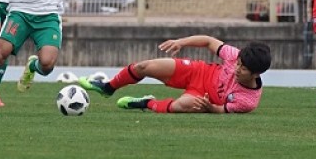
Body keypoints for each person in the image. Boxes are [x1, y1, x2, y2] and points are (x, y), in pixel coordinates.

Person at [72, 35, 272, 114]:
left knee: (183, 106)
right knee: (145, 66)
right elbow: (209, 41)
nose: (237, 68)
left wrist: (210, 107)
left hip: (203, 97)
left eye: (243, 69)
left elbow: (223, 111)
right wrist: (182, 42)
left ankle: (146, 103)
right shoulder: (236, 55)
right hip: (197, 71)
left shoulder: (248, 100)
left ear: (256, 74)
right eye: (238, 64)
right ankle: (108, 87)